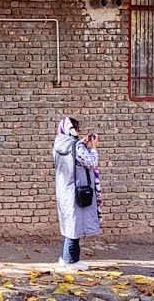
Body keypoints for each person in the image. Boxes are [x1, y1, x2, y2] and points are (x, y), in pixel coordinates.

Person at [53, 116, 101, 271]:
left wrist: (82, 144)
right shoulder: (76, 147)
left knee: (70, 223)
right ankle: (70, 260)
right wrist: (93, 147)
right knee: (75, 224)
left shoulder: (58, 144)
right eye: (77, 129)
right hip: (78, 190)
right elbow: (92, 163)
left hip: (65, 189)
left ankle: (66, 257)